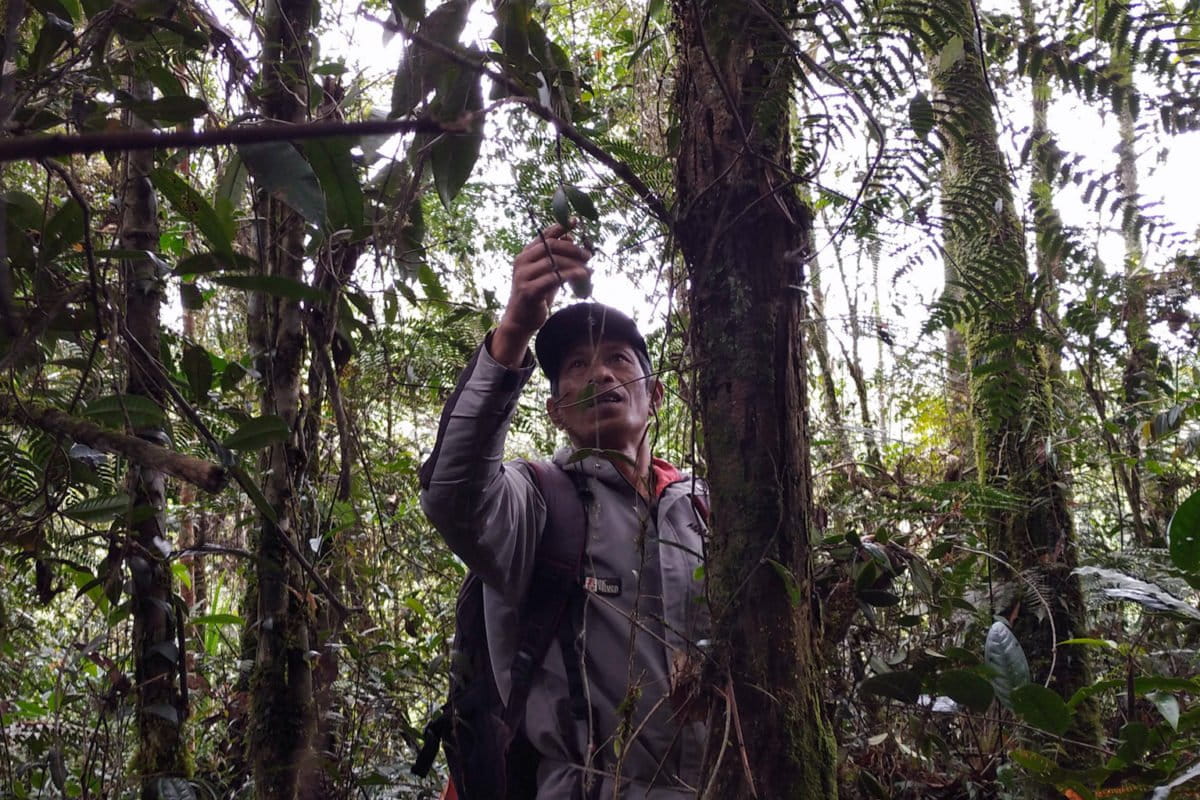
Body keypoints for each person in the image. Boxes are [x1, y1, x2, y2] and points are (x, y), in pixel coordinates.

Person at [419, 224, 710, 799]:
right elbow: (453, 494)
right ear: (555, 410)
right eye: (576, 366)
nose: (599, 374)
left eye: (620, 360)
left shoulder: (701, 506)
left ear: (654, 395)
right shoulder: (534, 501)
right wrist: (513, 333)